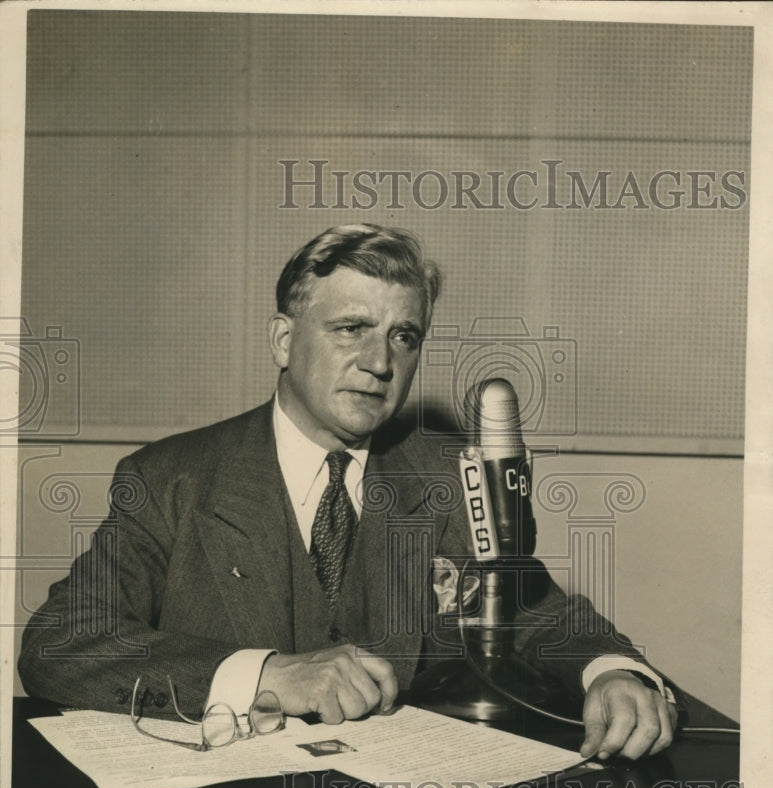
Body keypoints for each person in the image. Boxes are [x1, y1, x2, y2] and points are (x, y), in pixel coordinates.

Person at [18, 223, 678, 760]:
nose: (379, 362)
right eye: (350, 329)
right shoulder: (168, 478)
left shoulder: (448, 477)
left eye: (403, 336)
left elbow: (533, 611)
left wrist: (612, 674)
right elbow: (61, 641)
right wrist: (266, 674)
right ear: (283, 340)